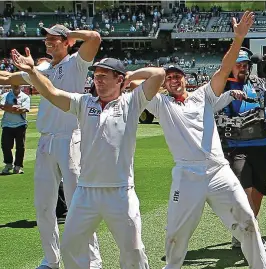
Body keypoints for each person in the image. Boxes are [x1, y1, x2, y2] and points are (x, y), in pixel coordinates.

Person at [12, 50, 165, 268]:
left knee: (133, 251)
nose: (98, 80)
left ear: (118, 79)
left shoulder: (131, 103)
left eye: (104, 76)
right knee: (70, 247)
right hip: (85, 192)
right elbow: (52, 92)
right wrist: (33, 72)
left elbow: (159, 74)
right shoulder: (85, 103)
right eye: (96, 76)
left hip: (120, 192)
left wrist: (131, 76)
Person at [144, 12, 266, 268]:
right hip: (187, 175)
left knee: (247, 220)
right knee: (176, 234)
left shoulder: (202, 95)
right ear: (163, 83)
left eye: (178, 76)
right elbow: (139, 81)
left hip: (218, 171)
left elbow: (225, 68)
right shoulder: (160, 104)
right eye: (168, 77)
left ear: (186, 78)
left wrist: (238, 39)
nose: (174, 80)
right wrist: (159, 72)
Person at [0, 24, 103, 269]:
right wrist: (29, 69)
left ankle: (92, 261)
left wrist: (69, 35)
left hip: (70, 138)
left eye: (54, 38)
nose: (49, 41)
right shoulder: (42, 68)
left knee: (78, 204)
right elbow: (7, 78)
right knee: (44, 206)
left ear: (67, 41)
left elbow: (95, 38)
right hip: (46, 141)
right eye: (46, 37)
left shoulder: (77, 63)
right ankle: (52, 259)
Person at [214, 44, 266, 250]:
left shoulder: (259, 84)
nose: (243, 68)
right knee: (243, 189)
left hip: (262, 145)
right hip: (235, 146)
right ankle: (250, 234)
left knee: (258, 189)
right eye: (238, 65)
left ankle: (246, 228)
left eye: (246, 65)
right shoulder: (221, 87)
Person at [0, 84, 30, 174]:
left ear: (21, 86)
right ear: (12, 86)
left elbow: (24, 110)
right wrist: (15, 108)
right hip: (7, 124)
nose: (16, 86)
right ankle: (9, 164)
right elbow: (2, 106)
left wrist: (9, 107)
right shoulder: (6, 95)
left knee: (20, 147)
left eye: (18, 84)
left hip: (21, 124)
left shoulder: (25, 97)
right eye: (14, 84)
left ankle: (18, 166)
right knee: (5, 146)